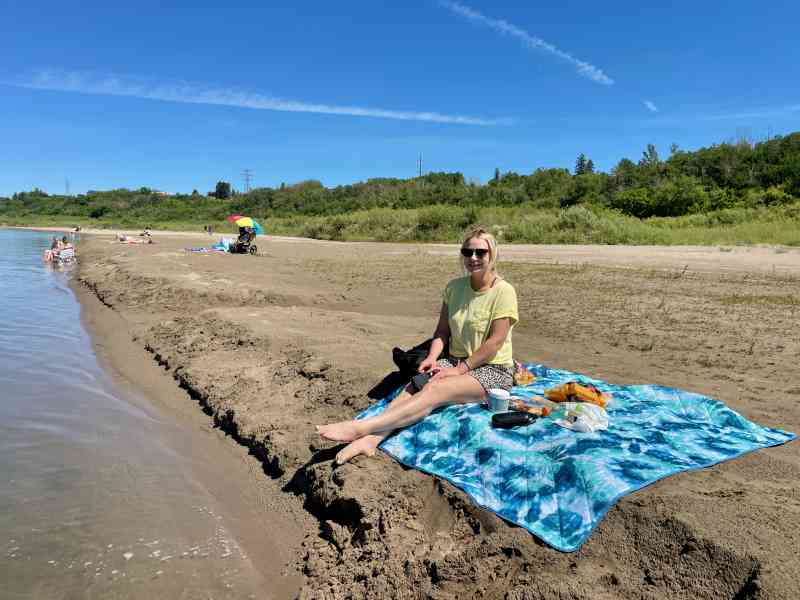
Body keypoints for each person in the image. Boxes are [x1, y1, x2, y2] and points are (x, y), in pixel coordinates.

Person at [317, 227, 519, 464]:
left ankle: (360, 428)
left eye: (480, 252)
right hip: (453, 360)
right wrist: (433, 358)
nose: (473, 258)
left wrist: (458, 370)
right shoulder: (455, 287)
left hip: (491, 369)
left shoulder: (504, 292)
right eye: (468, 251)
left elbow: (494, 343)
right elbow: (442, 332)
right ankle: (372, 439)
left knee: (435, 390)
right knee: (414, 385)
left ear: (492, 255)